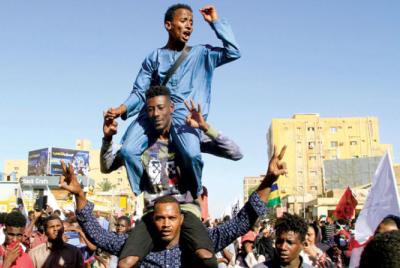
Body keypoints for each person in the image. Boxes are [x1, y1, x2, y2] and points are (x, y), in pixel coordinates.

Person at [60, 140, 287, 267]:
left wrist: (268, 180)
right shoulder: (135, 247)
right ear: (151, 220)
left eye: (171, 218)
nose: (166, 224)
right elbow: (98, 234)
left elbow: (242, 222)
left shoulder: (201, 243)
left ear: (181, 219)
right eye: (160, 218)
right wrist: (79, 194)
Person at [105, 3, 241, 205]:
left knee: (192, 154)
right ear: (168, 25)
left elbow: (233, 52)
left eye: (192, 23)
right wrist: (121, 109)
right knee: (127, 151)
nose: (189, 26)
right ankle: (148, 190)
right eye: (184, 21)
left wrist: (216, 23)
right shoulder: (155, 57)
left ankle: (194, 192)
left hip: (182, 114)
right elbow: (140, 92)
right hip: (152, 112)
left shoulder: (202, 54)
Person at [101, 86, 242, 267]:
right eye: (150, 109)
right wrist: (107, 139)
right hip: (154, 212)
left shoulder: (188, 140)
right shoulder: (139, 146)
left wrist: (205, 127)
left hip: (187, 209)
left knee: (207, 258)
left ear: (171, 108)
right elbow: (107, 167)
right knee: (125, 263)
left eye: (160, 108)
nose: (156, 114)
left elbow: (236, 153)